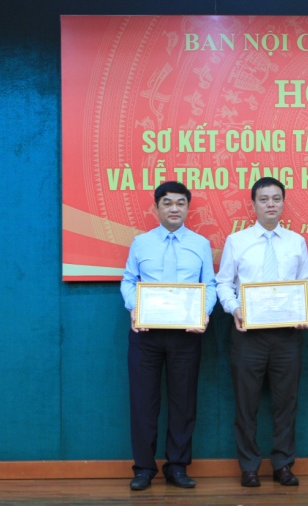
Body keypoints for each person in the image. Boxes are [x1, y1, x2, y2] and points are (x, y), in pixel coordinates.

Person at [216, 177, 308, 488]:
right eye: (264, 199)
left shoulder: (296, 241)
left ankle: (283, 465)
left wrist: (305, 308)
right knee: (246, 404)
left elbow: (307, 281)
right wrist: (235, 309)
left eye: (276, 198)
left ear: (283, 203)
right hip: (248, 334)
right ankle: (249, 467)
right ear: (254, 204)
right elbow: (224, 283)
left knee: (286, 402)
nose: (270, 204)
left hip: (287, 334)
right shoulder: (237, 241)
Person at [120, 181, 217, 491]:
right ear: (157, 208)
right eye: (167, 203)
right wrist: (135, 308)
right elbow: (128, 281)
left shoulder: (200, 244)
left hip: (186, 334)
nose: (174, 208)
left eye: (180, 203)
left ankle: (177, 466)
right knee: (143, 403)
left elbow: (210, 285)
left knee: (183, 403)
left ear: (187, 208)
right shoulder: (141, 243)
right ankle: (143, 469)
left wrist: (204, 313)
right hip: (146, 335)